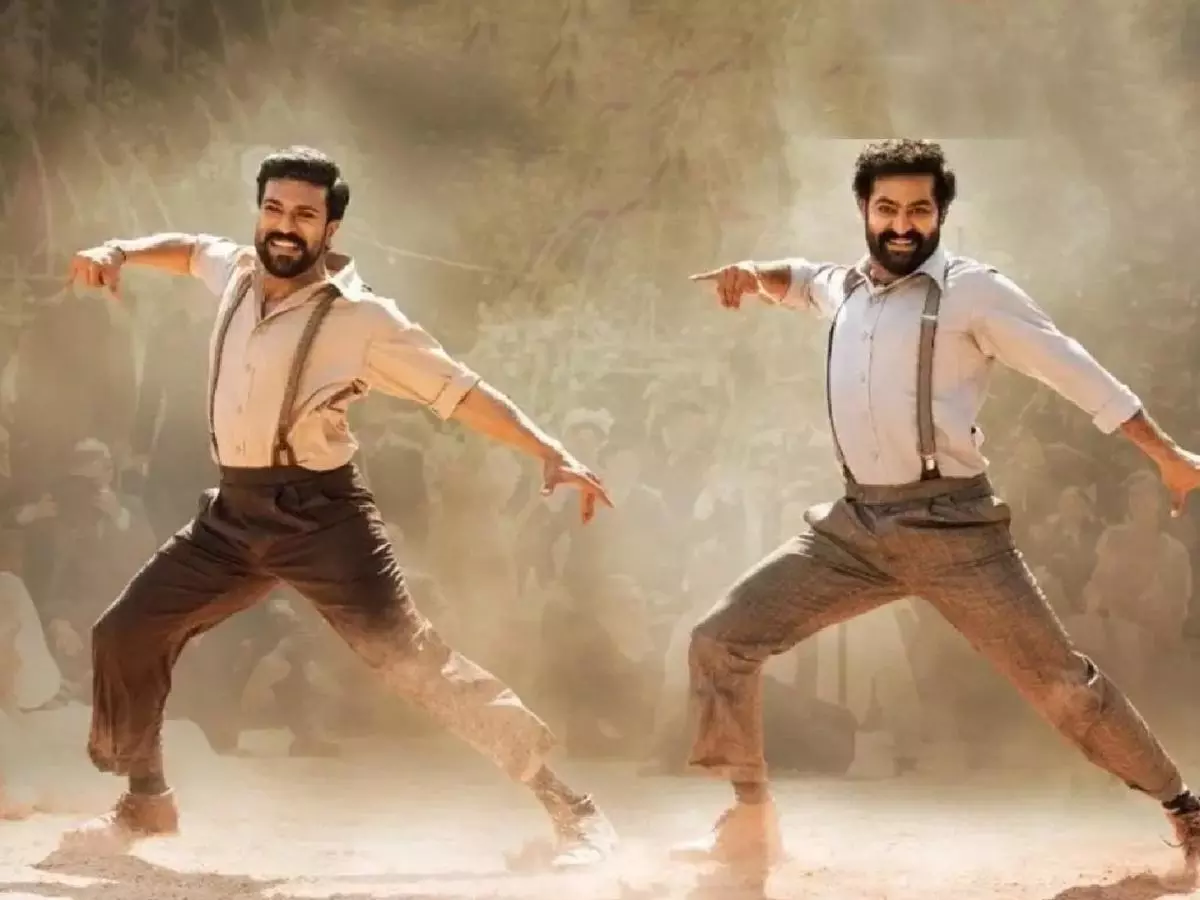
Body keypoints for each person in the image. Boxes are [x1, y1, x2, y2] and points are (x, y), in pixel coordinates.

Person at [59, 145, 617, 868]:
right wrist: (120, 251)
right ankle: (146, 799)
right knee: (124, 632)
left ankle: (570, 807)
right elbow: (191, 249)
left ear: (331, 229)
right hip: (233, 514)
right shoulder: (236, 272)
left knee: (412, 661)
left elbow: (459, 389)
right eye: (273, 209)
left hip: (322, 516)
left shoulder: (363, 318)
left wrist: (547, 449)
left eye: (303, 215)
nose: (284, 226)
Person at [680, 139, 1200, 876]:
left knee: (1063, 687)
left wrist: (1165, 453)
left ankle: (1186, 810)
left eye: (919, 210)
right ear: (864, 210)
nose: (902, 225)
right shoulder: (844, 288)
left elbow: (1074, 370)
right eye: (887, 208)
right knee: (720, 640)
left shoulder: (973, 292)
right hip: (855, 528)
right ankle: (750, 819)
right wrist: (749, 272)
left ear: (940, 214)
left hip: (954, 528)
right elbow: (795, 278)